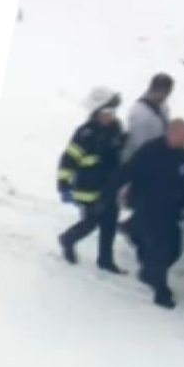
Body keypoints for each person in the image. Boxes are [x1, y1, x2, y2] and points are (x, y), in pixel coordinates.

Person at [119, 119, 184, 309]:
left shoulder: (182, 154)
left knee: (176, 249)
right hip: (149, 208)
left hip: (171, 211)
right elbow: (127, 171)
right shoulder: (150, 151)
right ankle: (161, 292)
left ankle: (147, 268)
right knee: (160, 251)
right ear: (171, 134)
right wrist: (110, 193)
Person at [57, 87, 126, 274]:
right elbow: (69, 159)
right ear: (96, 112)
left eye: (112, 112)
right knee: (91, 222)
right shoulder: (85, 134)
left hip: (109, 186)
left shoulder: (116, 128)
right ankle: (68, 239)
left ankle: (105, 259)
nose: (110, 116)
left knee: (110, 221)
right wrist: (63, 184)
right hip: (87, 188)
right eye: (107, 113)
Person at [123, 73, 174, 161]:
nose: (166, 96)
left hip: (158, 154)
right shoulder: (139, 113)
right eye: (165, 92)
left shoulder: (163, 106)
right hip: (140, 161)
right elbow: (139, 146)